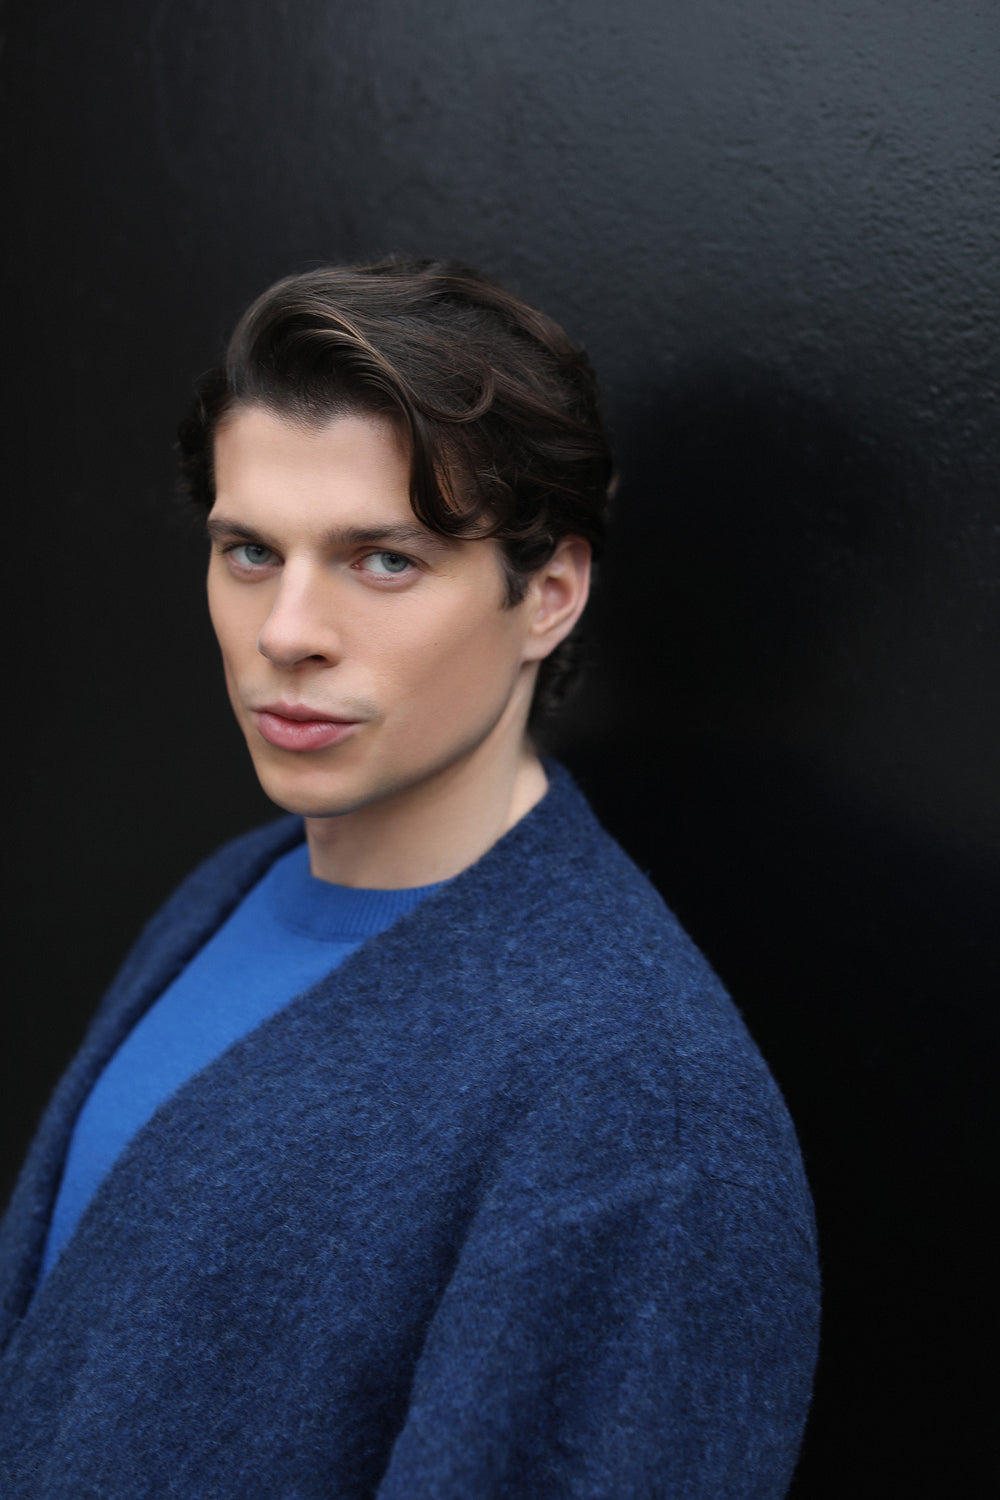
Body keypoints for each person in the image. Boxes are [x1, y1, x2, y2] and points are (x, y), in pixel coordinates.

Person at [0, 259, 819, 1497]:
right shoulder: (230, 890)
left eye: (382, 560)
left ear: (547, 595)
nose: (287, 631)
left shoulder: (642, 1111)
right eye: (249, 551)